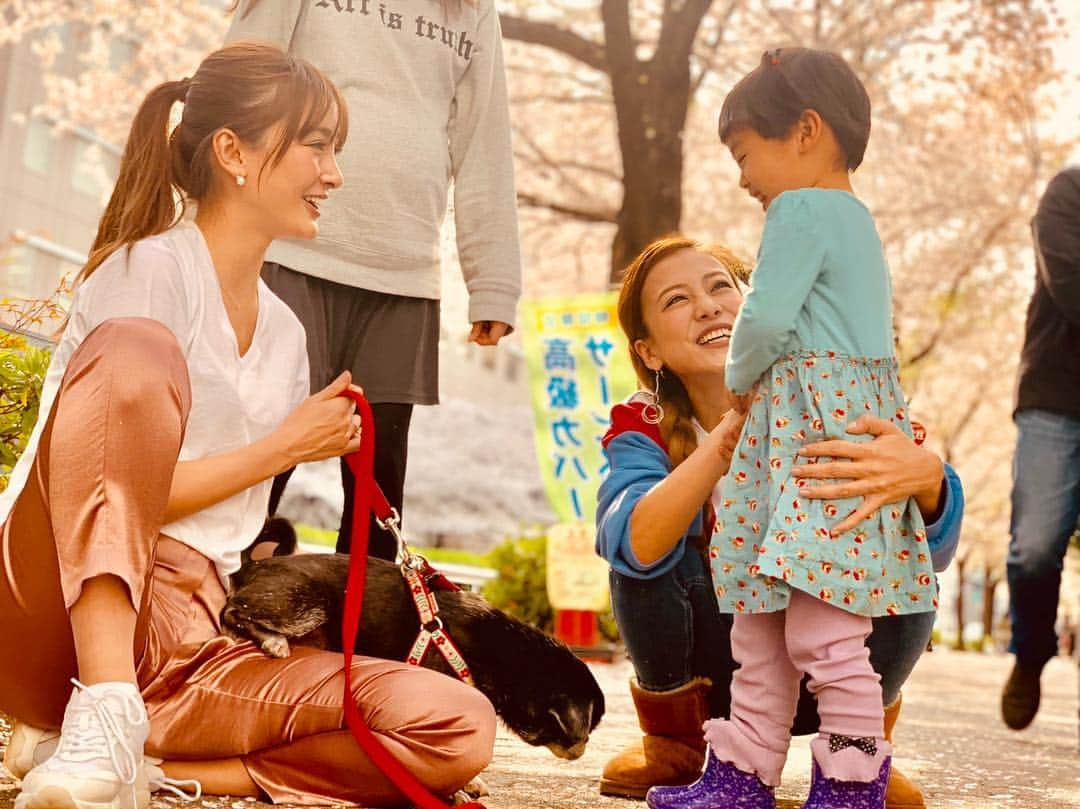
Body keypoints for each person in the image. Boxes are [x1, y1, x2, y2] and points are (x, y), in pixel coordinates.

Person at [0, 42, 495, 809]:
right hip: (53, 605)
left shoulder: (289, 335)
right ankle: (100, 709)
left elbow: (223, 527)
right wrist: (287, 446)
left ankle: (146, 767)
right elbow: (114, 500)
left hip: (192, 637)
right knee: (137, 347)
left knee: (456, 724)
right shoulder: (145, 272)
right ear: (233, 150)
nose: (334, 174)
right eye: (319, 147)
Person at [596, 241, 962, 803]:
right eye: (677, 300)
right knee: (644, 547)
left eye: (722, 287)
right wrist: (724, 442)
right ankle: (678, 745)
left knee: (903, 567)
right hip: (718, 671)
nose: (709, 307)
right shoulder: (641, 426)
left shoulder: (830, 395)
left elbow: (925, 555)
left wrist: (927, 480)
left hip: (839, 662)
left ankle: (858, 747)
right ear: (649, 353)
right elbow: (633, 545)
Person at [225, 0, 522, 560]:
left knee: (379, 485)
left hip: (404, 270)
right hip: (290, 251)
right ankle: (206, 618)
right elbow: (241, 76)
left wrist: (493, 278)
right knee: (267, 452)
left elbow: (485, 141)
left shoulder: (472, 10)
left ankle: (361, 640)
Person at [1001, 166, 1080, 730]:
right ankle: (1030, 653)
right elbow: (1070, 282)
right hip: (1057, 395)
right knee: (1033, 546)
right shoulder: (1069, 191)